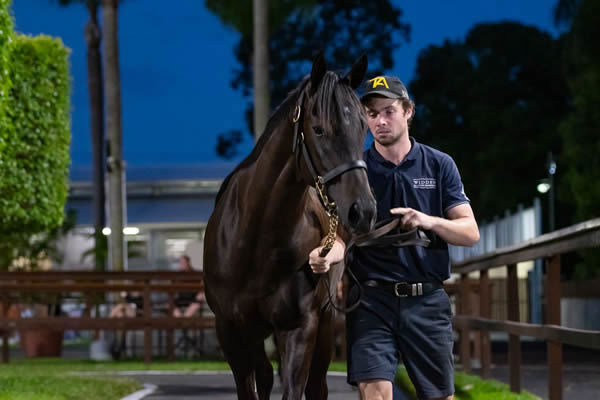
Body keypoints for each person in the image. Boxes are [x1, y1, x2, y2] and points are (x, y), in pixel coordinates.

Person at [309, 75, 479, 400]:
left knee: (440, 396)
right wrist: (328, 254)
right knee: (375, 394)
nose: (380, 121)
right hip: (371, 300)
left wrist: (428, 221)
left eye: (388, 111)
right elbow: (344, 237)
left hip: (427, 299)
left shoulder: (439, 165)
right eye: (372, 114)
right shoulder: (355, 171)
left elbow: (470, 233)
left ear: (408, 111)